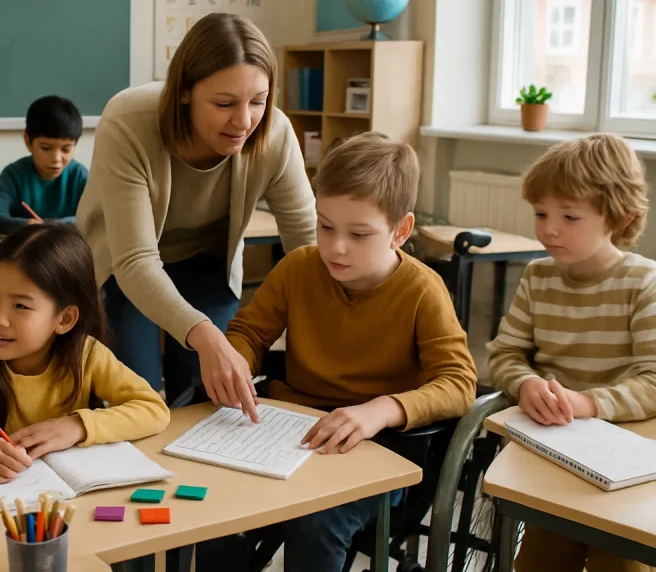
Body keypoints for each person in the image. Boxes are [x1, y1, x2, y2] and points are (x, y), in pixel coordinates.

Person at [194, 132, 477, 572]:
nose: (336, 246)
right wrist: (233, 362)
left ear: (400, 231)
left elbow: (459, 384)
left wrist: (381, 410)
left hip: (377, 448)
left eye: (359, 234)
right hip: (287, 432)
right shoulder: (298, 267)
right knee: (218, 507)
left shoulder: (422, 290)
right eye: (325, 226)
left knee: (314, 521)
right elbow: (249, 332)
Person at [77, 12, 317, 403]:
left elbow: (306, 245)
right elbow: (136, 259)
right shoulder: (129, 122)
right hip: (124, 267)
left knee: (205, 396)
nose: (244, 121)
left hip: (207, 263)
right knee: (137, 396)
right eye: (224, 103)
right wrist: (204, 335)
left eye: (258, 101)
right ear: (184, 90)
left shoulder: (274, 134)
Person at [487, 133, 656, 572]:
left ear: (619, 218)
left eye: (569, 216)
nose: (549, 228)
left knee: (619, 559)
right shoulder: (538, 276)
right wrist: (525, 383)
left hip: (628, 460)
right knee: (543, 556)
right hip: (553, 449)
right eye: (541, 212)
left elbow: (654, 382)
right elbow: (504, 353)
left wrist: (587, 403)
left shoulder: (644, 283)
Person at [0, 223, 170, 480]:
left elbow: (153, 409)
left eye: (21, 306)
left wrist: (77, 426)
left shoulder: (87, 355)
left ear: (64, 319)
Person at [0, 95, 89, 234]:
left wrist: (51, 225)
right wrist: (25, 225)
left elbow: (93, 217)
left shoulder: (79, 175)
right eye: (46, 148)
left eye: (66, 149)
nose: (56, 159)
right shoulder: (13, 175)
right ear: (28, 141)